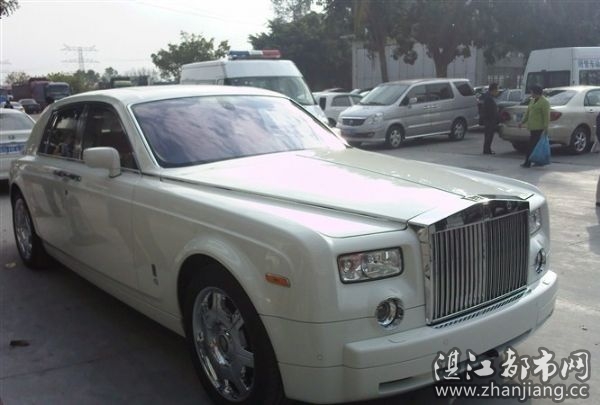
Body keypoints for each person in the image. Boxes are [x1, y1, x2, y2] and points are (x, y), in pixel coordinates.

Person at [518, 85, 550, 168]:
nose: (531, 94)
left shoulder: (544, 102)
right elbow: (528, 113)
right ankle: (537, 161)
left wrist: (546, 128)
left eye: (532, 92)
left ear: (536, 93)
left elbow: (546, 116)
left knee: (531, 146)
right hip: (532, 127)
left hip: (539, 128)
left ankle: (527, 162)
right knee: (535, 146)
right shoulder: (532, 100)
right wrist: (522, 122)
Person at [480, 83, 500, 154]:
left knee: (488, 135)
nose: (498, 92)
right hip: (489, 120)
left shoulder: (488, 97)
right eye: (497, 90)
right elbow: (490, 111)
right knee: (489, 135)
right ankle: (487, 150)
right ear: (493, 90)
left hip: (488, 120)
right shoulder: (489, 98)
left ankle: (487, 149)